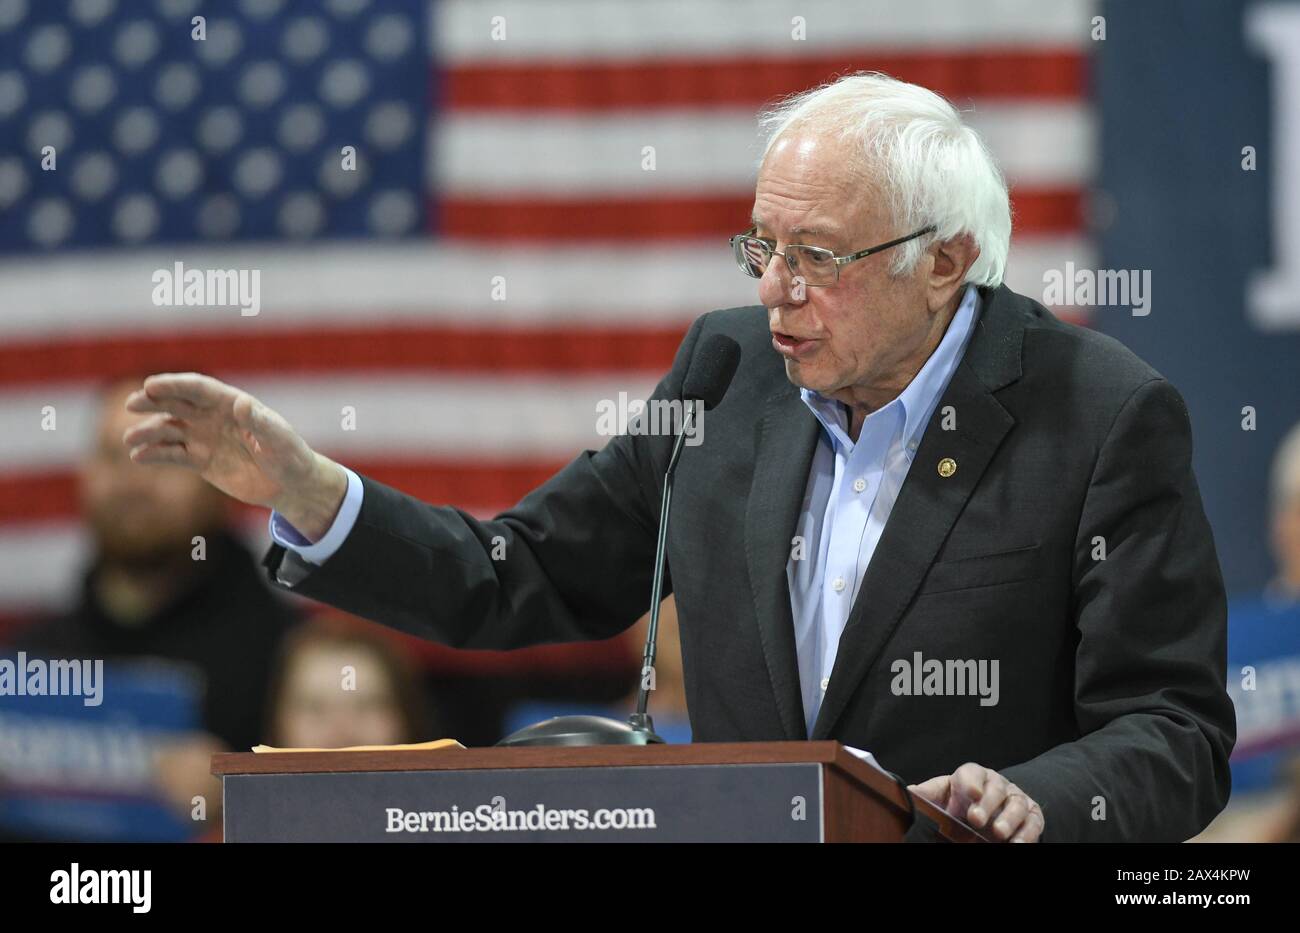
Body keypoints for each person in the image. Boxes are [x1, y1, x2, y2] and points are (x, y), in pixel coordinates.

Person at [120, 73, 1235, 842]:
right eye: (762, 244)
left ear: (943, 263)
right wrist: (307, 489)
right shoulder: (731, 373)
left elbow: (1174, 730)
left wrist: (1034, 799)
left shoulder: (1099, 415)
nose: (772, 290)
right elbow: (522, 575)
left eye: (815, 257)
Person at [8, 375, 299, 838]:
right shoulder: (29, 663)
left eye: (162, 458)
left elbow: (374, 809)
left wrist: (244, 801)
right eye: (112, 456)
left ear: (222, 478)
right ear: (83, 474)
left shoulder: (294, 663)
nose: (132, 483)